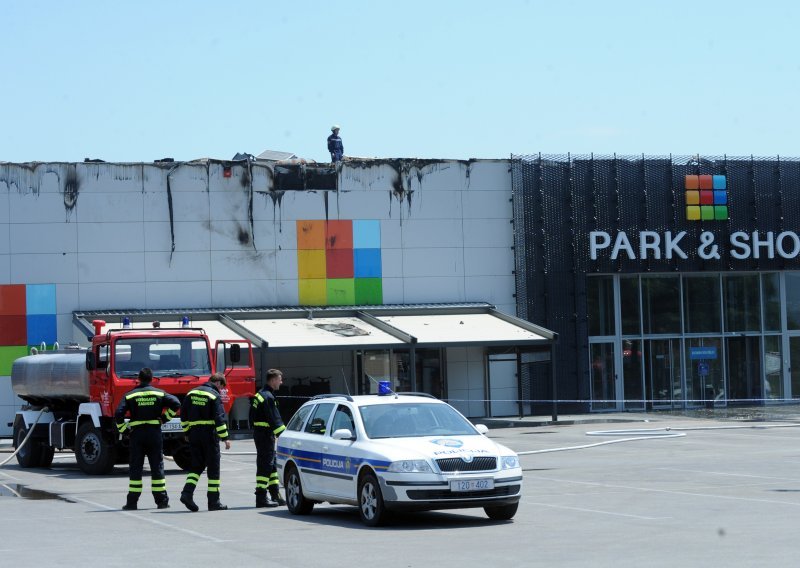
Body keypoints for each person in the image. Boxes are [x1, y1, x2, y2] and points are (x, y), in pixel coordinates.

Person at [114, 367, 180, 511]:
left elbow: (118, 414)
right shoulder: (159, 393)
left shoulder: (130, 395)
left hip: (136, 435)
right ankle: (161, 501)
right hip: (154, 434)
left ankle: (132, 502)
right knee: (157, 467)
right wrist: (164, 418)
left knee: (136, 468)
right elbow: (176, 403)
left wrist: (124, 430)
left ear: (139, 379)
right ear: (151, 379)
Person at [179, 373, 231, 512]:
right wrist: (225, 437)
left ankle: (187, 493)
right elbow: (219, 418)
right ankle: (214, 502)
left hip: (194, 434)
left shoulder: (191, 393)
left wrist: (187, 432)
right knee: (213, 468)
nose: (221, 390)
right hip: (209, 434)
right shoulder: (214, 395)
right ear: (218, 382)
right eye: (221, 387)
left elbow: (183, 415)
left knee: (197, 465)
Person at [250, 368, 287, 507]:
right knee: (265, 465)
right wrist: (284, 437)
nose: (281, 382)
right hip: (265, 434)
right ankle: (261, 498)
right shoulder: (268, 397)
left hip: (261, 433)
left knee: (271, 465)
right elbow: (275, 419)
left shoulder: (260, 394)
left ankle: (275, 495)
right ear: (273, 380)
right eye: (279, 379)